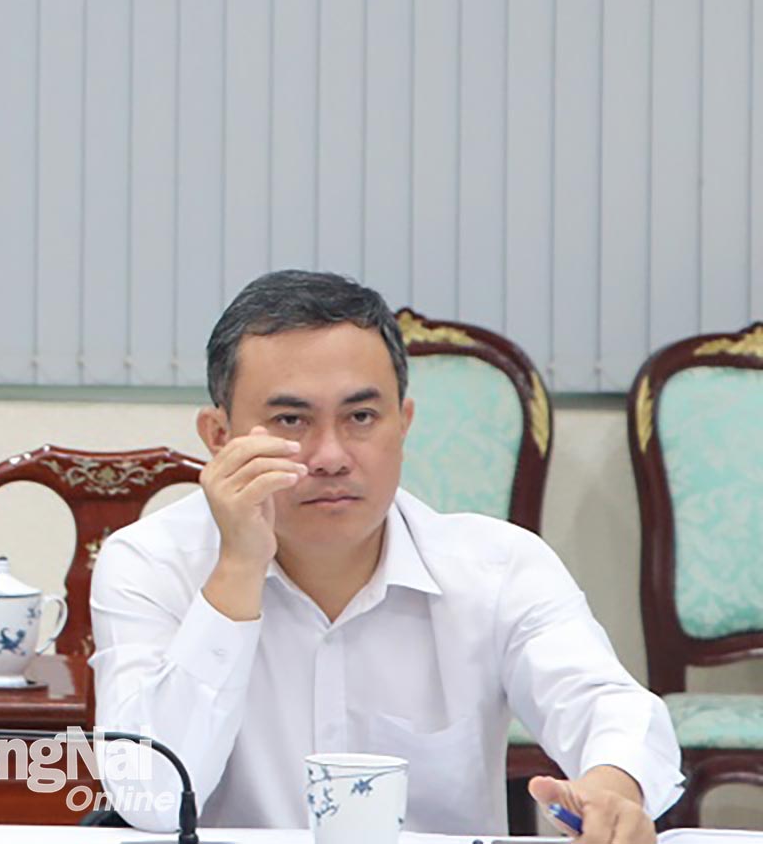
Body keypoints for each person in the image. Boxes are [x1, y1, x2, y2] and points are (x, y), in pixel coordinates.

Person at [90, 269, 681, 842]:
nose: (330, 456)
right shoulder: (151, 564)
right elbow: (151, 799)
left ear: (403, 423)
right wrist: (238, 570)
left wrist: (612, 791)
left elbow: (607, 707)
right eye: (291, 419)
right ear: (220, 438)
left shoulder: (498, 568)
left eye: (361, 417)